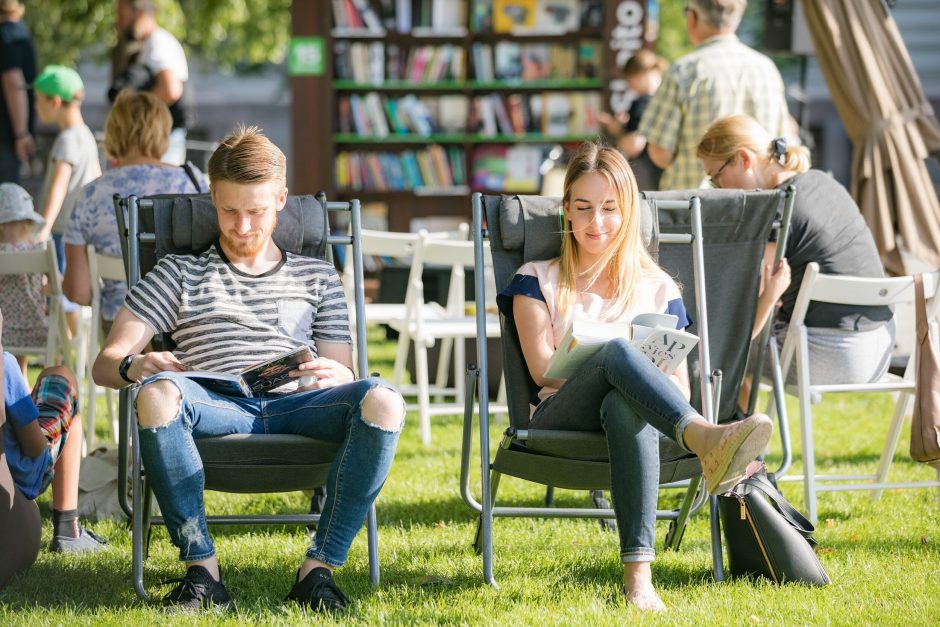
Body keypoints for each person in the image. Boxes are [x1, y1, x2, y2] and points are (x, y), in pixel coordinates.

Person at [93, 126, 405, 613]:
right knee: (155, 394)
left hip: (301, 405)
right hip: (214, 405)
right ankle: (203, 572)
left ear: (281, 199)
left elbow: (345, 369)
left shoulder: (317, 274)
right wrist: (137, 365)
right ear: (212, 197)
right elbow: (104, 365)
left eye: (256, 211)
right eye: (228, 210)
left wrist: (341, 376)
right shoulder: (178, 272)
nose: (241, 226)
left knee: (384, 399)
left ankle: (318, 570)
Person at [499, 142, 772, 611]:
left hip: (638, 421)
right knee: (619, 353)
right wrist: (612, 364)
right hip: (557, 419)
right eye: (583, 208)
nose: (596, 222)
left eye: (610, 208)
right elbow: (542, 368)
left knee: (625, 406)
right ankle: (706, 440)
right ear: (565, 209)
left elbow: (681, 388)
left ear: (628, 212)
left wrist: (630, 379)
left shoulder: (658, 288)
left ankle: (639, 580)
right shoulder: (535, 278)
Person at [696, 114, 895, 406]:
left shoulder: (778, 211)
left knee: (707, 349)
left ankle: (727, 443)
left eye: (715, 176)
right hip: (880, 347)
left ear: (743, 159)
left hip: (831, 355)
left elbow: (750, 314)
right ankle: (745, 437)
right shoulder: (821, 181)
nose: (716, 186)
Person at [63, 90, 207, 325]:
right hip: (183, 321)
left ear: (114, 131)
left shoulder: (90, 195)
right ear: (164, 131)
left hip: (120, 325)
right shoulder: (193, 182)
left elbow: (78, 292)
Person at [638, 0, 789, 190]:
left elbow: (660, 151)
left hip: (694, 208)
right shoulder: (767, 69)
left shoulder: (684, 71)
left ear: (693, 18)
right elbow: (783, 142)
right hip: (759, 207)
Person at [1, 308, 108, 554]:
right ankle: (68, 530)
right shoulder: (4, 366)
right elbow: (35, 447)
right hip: (19, 472)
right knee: (62, 379)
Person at [31, 65, 101, 274]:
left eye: (38, 99)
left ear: (55, 102)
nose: (35, 106)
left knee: (61, 294)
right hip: (82, 232)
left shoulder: (67, 140)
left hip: (62, 232)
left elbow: (58, 187)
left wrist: (43, 229)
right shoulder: (86, 136)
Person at [111, 0, 191, 165]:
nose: (118, 23)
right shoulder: (151, 44)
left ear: (138, 12)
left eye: (121, 16)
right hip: (159, 140)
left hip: (161, 141)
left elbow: (170, 90)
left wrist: (133, 120)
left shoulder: (158, 42)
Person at [598, 50, 668, 191]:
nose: (630, 86)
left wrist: (616, 132)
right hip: (664, 173)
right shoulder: (666, 98)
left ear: (639, 75)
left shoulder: (642, 102)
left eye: (629, 80)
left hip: (645, 173)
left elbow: (634, 143)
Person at [0, 182, 46, 376]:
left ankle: (19, 382)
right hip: (36, 333)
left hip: (3, 334)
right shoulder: (38, 252)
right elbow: (57, 286)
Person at [0, 0, 37, 184]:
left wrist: (21, 134)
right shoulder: (18, 31)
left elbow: (13, 83)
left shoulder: (6, 34)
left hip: (7, 138)